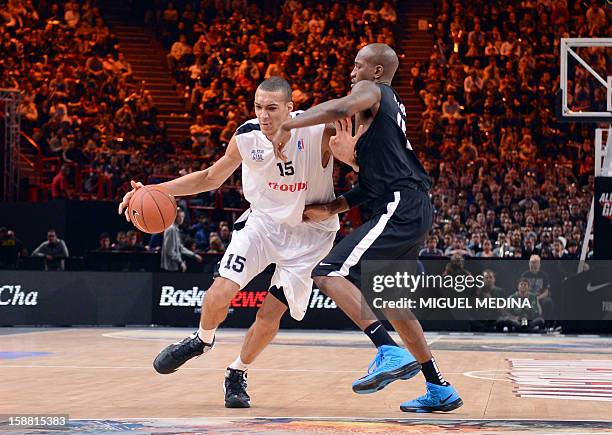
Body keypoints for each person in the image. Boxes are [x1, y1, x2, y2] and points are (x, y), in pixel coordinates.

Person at [118, 77, 339, 408]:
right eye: (258, 107)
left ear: (291, 109)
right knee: (221, 289)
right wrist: (153, 190)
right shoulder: (247, 137)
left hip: (311, 236)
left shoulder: (317, 130)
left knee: (269, 314)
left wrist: (338, 206)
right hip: (262, 224)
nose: (264, 115)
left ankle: (237, 372)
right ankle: (202, 339)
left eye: (272, 108)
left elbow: (351, 117)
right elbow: (210, 178)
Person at [271, 43, 462, 413]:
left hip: (400, 205)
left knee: (327, 272)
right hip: (408, 205)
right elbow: (368, 188)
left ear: (376, 72)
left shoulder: (374, 92)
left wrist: (287, 124)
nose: (352, 73)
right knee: (394, 303)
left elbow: (341, 106)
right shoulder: (381, 120)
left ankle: (386, 350)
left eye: (358, 66)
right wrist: (332, 203)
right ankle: (439, 388)